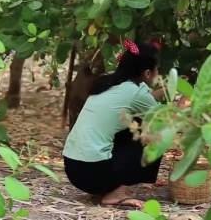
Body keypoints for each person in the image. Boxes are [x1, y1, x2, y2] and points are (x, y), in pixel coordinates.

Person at [62, 40, 164, 208]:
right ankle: (116, 194)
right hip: (94, 173)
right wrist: (185, 104)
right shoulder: (135, 92)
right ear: (147, 73)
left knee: (134, 123)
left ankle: (108, 186)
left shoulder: (109, 82)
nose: (157, 72)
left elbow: (147, 99)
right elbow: (164, 118)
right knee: (155, 132)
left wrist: (170, 90)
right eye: (156, 69)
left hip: (74, 169)